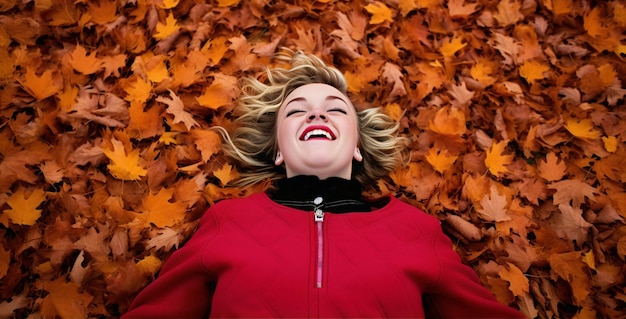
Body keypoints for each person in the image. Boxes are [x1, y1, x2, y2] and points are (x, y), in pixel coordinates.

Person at [122, 50, 525, 318]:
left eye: (335, 109)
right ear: (278, 150)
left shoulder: (417, 230)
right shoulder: (228, 220)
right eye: (297, 111)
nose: (317, 115)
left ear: (358, 148)